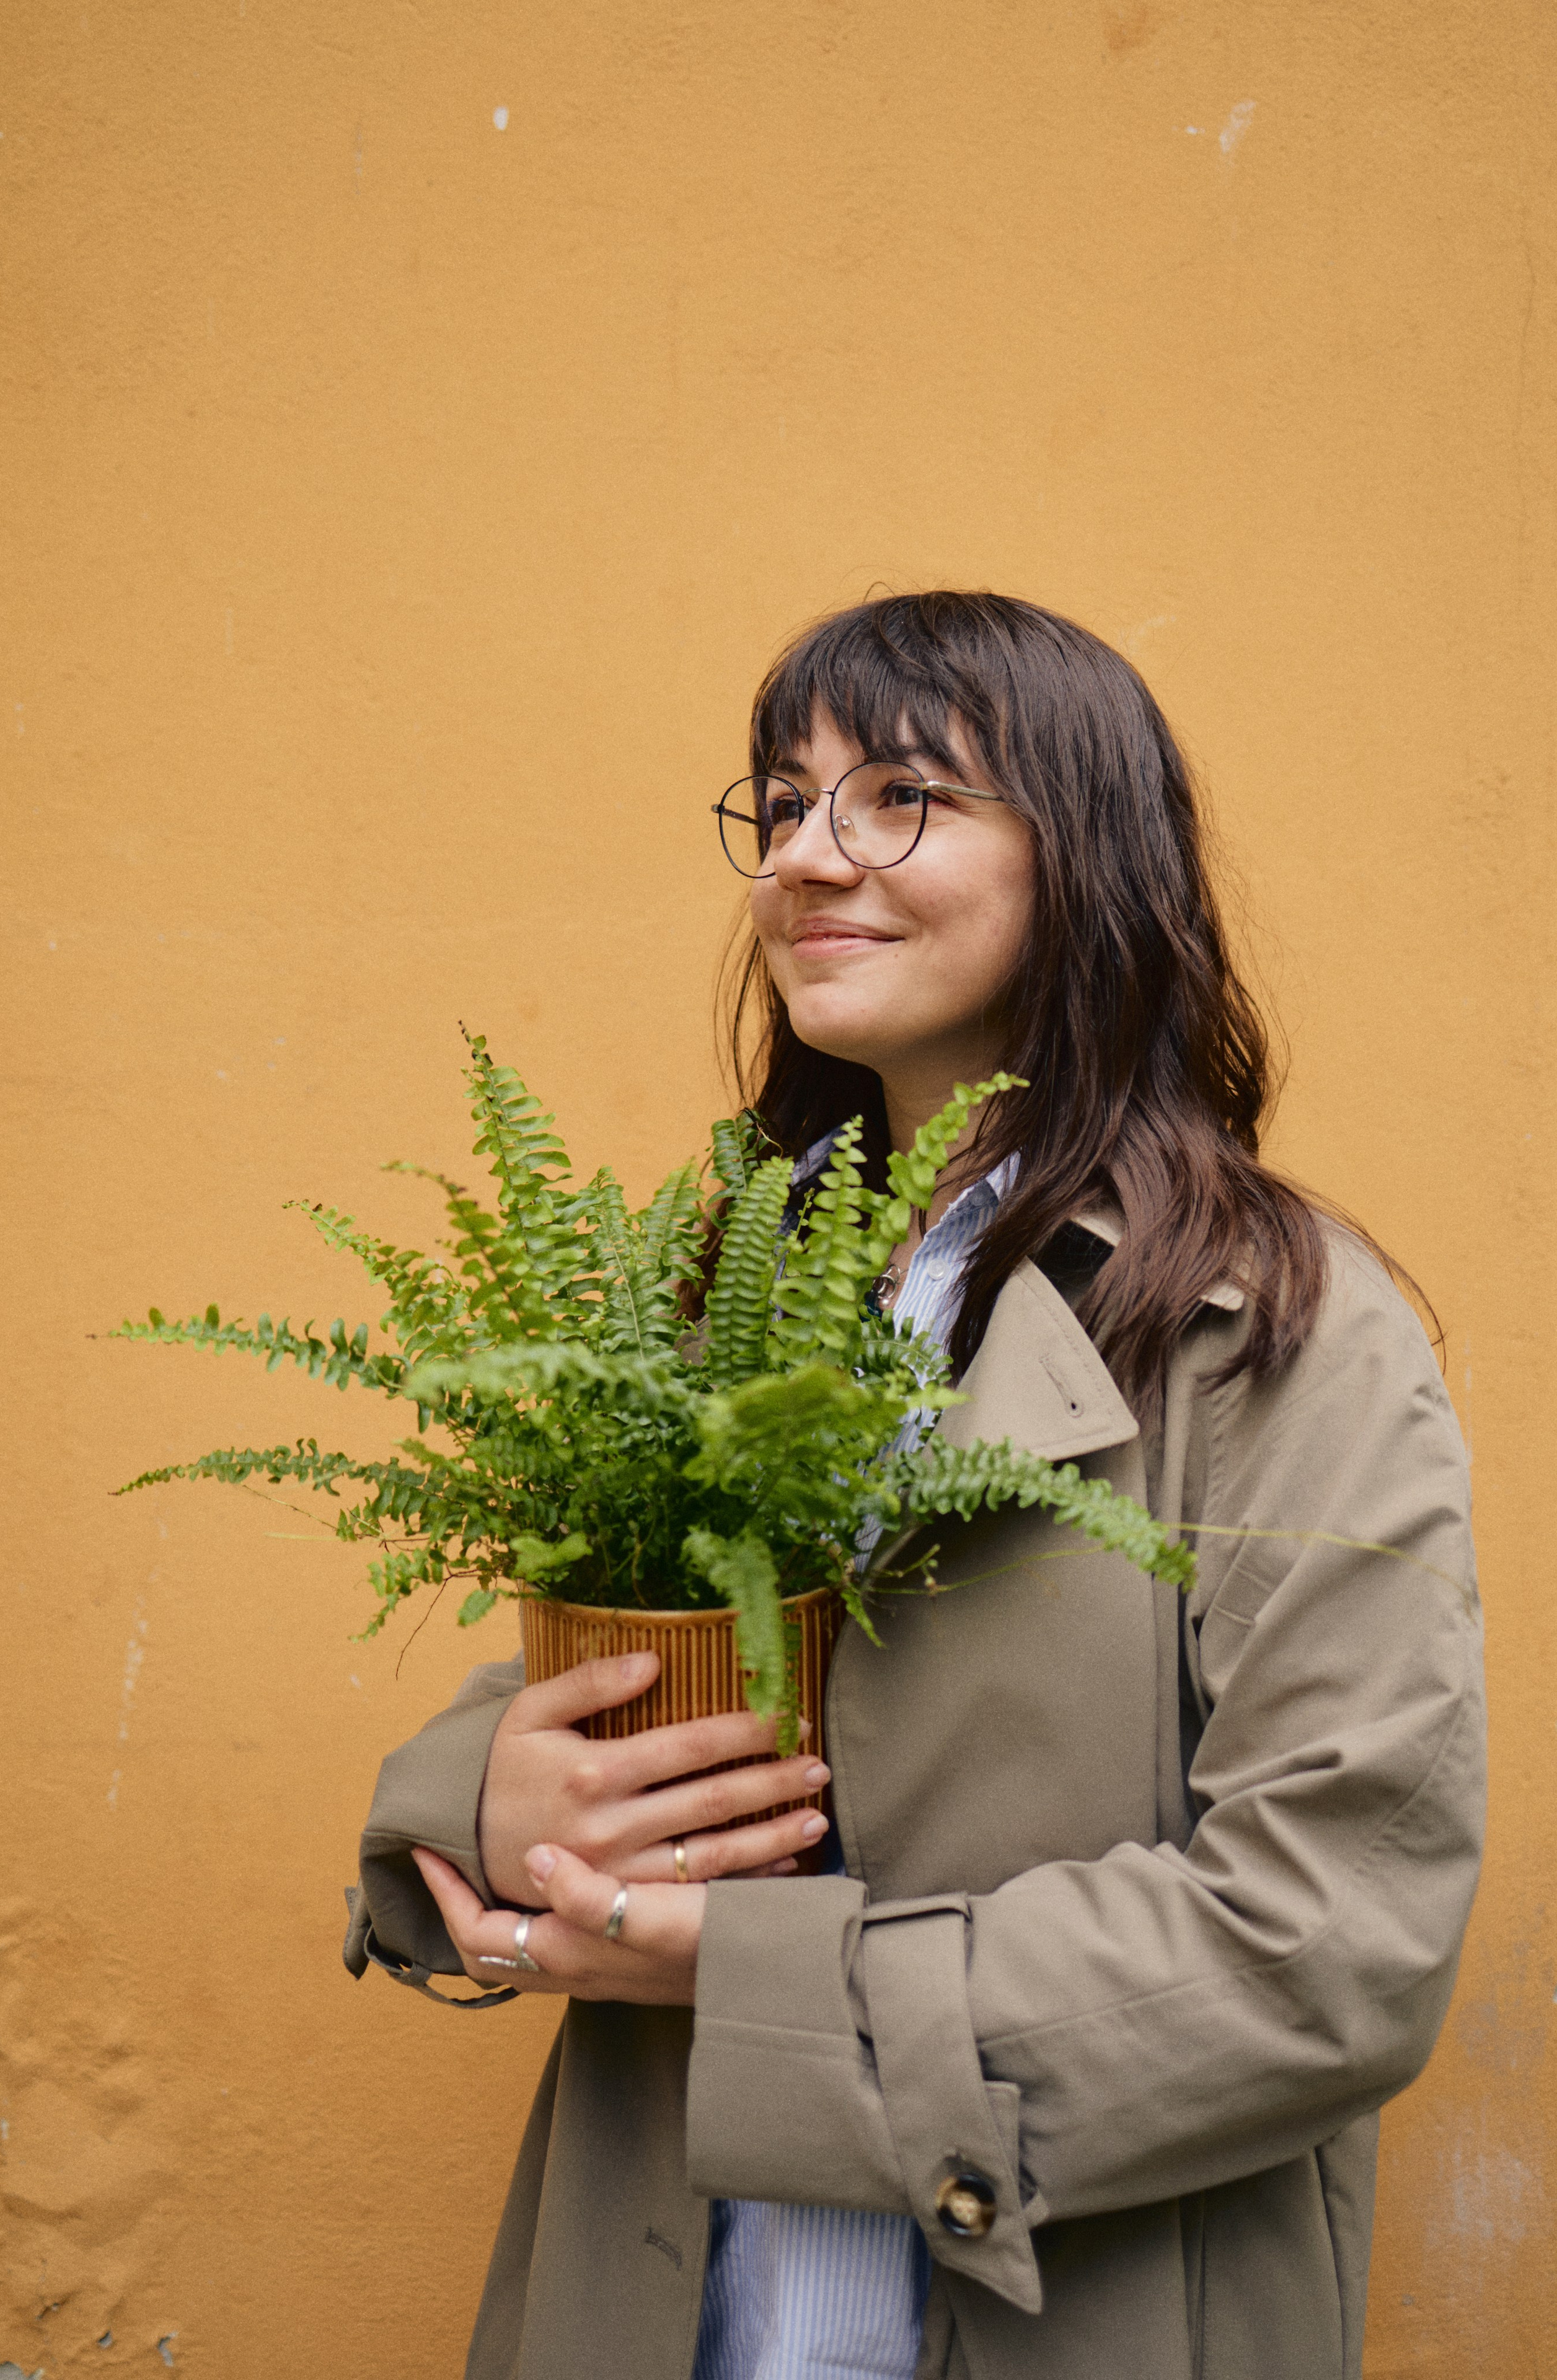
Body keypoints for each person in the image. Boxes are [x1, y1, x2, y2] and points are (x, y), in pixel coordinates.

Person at [345, 592, 1484, 2380]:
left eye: (901, 796)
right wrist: (478, 1797)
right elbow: (669, 1676)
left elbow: (1331, 1942)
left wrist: (738, 1961)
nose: (809, 856)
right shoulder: (727, 1278)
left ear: (1088, 859)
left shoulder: (1274, 1328)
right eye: (783, 803)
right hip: (663, 2309)